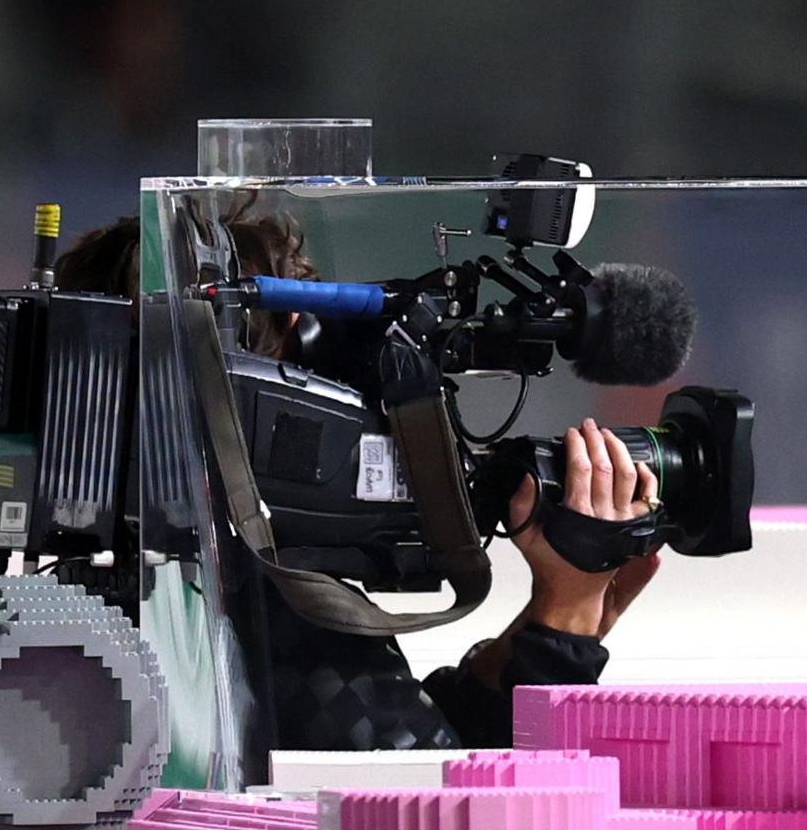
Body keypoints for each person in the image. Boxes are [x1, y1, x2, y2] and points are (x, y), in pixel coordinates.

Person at [51, 212, 661, 753]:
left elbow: (413, 750)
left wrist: (548, 626)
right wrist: (568, 622)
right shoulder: (273, 612)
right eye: (306, 361)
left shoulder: (126, 576)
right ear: (250, 392)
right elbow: (469, 826)